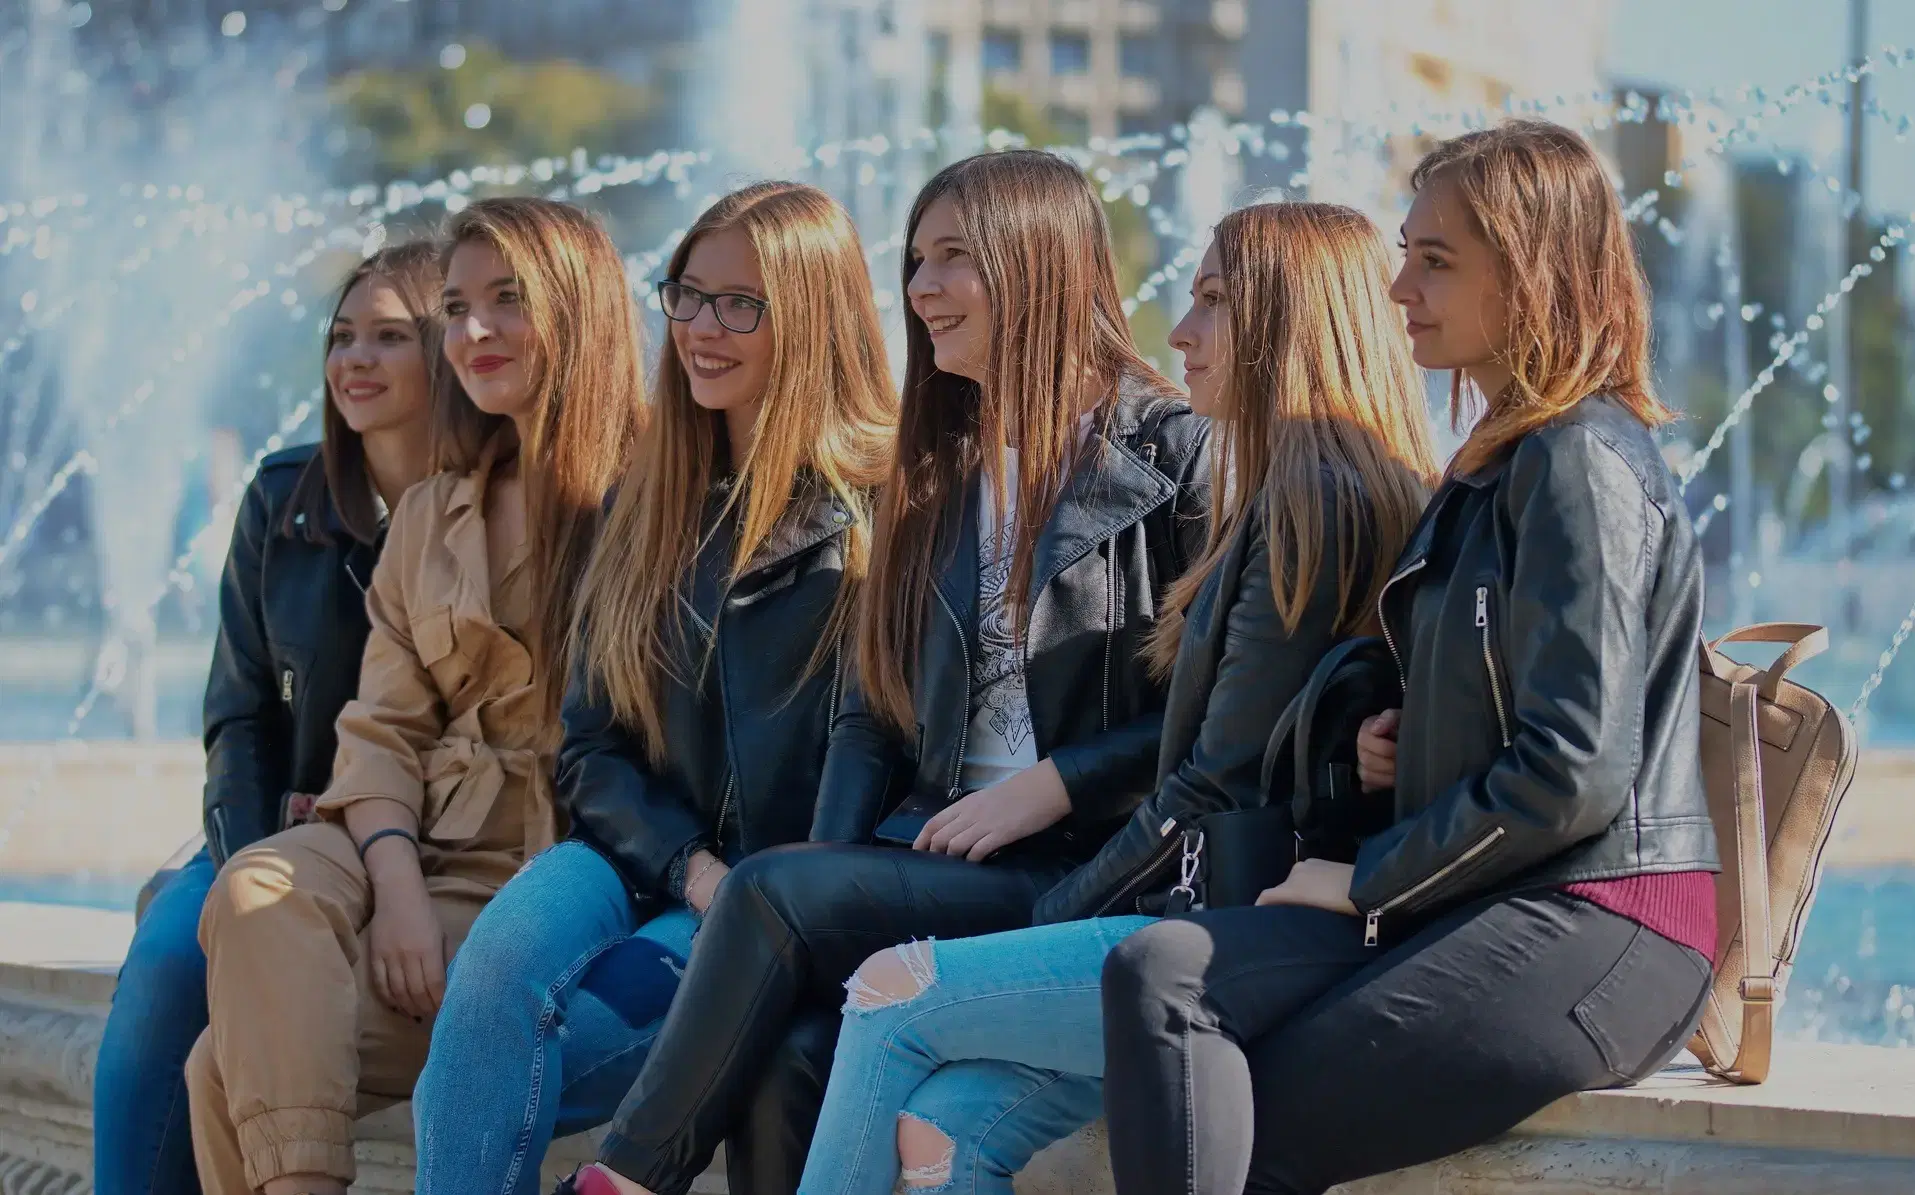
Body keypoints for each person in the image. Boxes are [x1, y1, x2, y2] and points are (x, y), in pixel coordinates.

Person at [563, 148, 1213, 1195]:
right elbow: (872, 718)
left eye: (953, 258)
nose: (920, 290)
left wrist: (1059, 783)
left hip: (1103, 863)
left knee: (772, 897)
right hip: (945, 854)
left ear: (1037, 263)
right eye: (916, 260)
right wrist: (827, 879)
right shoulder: (943, 465)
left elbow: (1212, 720)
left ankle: (624, 1180)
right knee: (784, 1049)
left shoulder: (1177, 454)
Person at [1100, 119, 1720, 1195]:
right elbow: (1503, 701)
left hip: (1605, 918)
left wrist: (1371, 876)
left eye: (1436, 262)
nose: (1399, 288)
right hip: (1489, 898)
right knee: (1157, 971)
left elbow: (1573, 772)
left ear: (1532, 274)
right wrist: (1392, 743)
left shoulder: (1578, 460)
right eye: (1405, 253)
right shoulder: (1494, 467)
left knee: (1262, 1109)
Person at [792, 201, 1438, 1195]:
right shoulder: (1309, 487)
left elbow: (1208, 785)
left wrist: (1045, 918)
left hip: (1233, 934)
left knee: (888, 994)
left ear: (1294, 322)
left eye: (1215, 302)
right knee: (942, 1131)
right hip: (1233, 917)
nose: (1179, 334)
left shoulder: (1313, 498)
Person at [413, 181, 896, 1195]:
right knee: (490, 982)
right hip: (640, 855)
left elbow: (894, 754)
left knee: (561, 1046)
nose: (701, 330)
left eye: (740, 304)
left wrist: (741, 890)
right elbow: (589, 745)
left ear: (810, 316)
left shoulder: (885, 508)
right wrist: (686, 866)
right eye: (687, 295)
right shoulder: (648, 493)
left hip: (771, 897)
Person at [184, 197, 645, 1195]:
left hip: (539, 869)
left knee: (218, 1066)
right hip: (400, 846)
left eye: (506, 300)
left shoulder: (652, 499)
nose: (471, 332)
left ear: (579, 309)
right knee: (254, 884)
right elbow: (381, 727)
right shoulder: (436, 511)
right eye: (456, 306)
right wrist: (393, 889)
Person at [91, 241, 444, 1195]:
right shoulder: (281, 501)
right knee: (169, 971)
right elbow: (237, 719)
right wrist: (240, 854)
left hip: (427, 846)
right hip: (274, 835)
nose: (354, 361)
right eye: (341, 338)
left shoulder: (493, 517)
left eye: (389, 337)